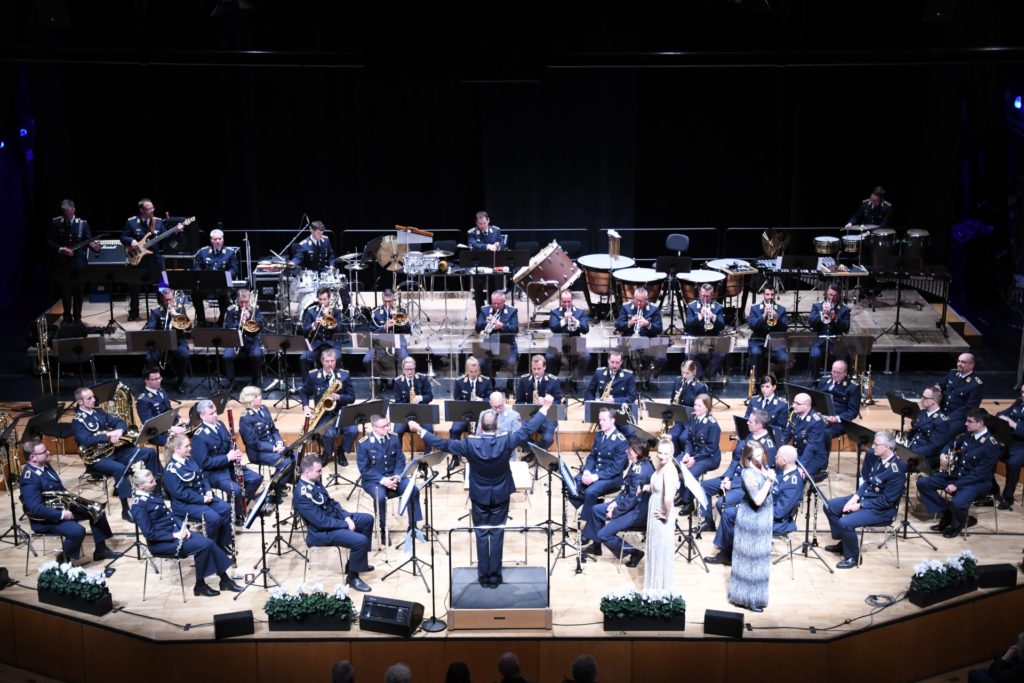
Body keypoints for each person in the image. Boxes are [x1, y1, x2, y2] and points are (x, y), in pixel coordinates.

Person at [409, 395, 555, 588]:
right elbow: (529, 429)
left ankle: (483, 576)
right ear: (496, 427)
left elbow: (442, 444)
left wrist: (420, 430)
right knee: (496, 534)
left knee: (480, 534)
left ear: (481, 426)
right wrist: (545, 407)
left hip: (479, 495)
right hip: (501, 494)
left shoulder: (470, 444)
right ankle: (494, 577)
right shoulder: (507, 441)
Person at [129, 467, 240, 596]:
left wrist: (183, 527)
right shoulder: (138, 505)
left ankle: (223, 581)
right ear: (142, 486)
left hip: (176, 532)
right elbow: (149, 534)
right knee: (204, 546)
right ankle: (201, 585)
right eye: (151, 481)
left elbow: (170, 515)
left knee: (208, 542)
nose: (155, 482)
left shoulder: (151, 494)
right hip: (162, 543)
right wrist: (174, 535)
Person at [20, 439, 119, 564]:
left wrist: (75, 501)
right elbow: (36, 509)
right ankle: (62, 561)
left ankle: (101, 550)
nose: (49, 452)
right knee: (77, 531)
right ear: (33, 457)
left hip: (63, 506)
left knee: (96, 509)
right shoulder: (29, 479)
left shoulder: (45, 465)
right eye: (44, 451)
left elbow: (59, 490)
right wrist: (61, 515)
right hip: (47, 519)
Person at [71, 385, 161, 521]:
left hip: (114, 451)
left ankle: (156, 492)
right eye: (89, 398)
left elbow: (118, 422)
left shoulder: (98, 411)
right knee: (120, 468)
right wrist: (108, 435)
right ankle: (126, 510)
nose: (93, 399)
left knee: (149, 453)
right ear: (80, 402)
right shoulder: (78, 421)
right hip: (97, 459)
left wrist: (119, 430)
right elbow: (86, 440)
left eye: (93, 396)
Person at [708, 444, 802, 567]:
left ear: (784, 461)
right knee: (729, 512)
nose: (775, 458)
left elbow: (779, 512)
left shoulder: (793, 483)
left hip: (774, 521)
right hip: (763, 509)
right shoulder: (783, 470)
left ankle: (730, 554)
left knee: (734, 516)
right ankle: (727, 551)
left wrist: (752, 509)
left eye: (777, 457)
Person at [824, 430, 906, 569]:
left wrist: (860, 505)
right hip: (867, 497)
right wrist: (856, 496)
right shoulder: (879, 460)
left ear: (886, 447)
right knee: (830, 506)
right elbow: (868, 481)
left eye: (876, 444)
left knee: (845, 522)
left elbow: (886, 501)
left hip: (881, 510)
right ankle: (845, 542)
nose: (872, 446)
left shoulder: (896, 471)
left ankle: (853, 557)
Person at [292, 455, 374, 592]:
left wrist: (346, 517)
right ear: (307, 472)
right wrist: (345, 524)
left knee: (367, 520)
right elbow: (320, 522)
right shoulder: (301, 495)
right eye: (318, 471)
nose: (321, 473)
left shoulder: (315, 482)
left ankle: (355, 564)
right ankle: (353, 577)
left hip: (335, 520)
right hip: (321, 532)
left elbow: (332, 503)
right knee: (360, 541)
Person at [917, 408, 1002, 538]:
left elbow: (979, 473)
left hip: (976, 482)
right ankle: (947, 512)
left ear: (980, 424)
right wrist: (943, 454)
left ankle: (957, 526)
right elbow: (951, 443)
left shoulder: (991, 445)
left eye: (970, 421)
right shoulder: (969, 434)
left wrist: (957, 485)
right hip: (956, 474)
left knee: (957, 502)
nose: (965, 424)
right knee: (923, 483)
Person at [701, 409, 777, 533]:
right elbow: (736, 459)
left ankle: (729, 532)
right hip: (733, 477)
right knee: (704, 486)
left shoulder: (768, 446)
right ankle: (709, 522)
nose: (747, 423)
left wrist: (733, 484)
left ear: (759, 425)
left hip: (746, 486)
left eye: (751, 422)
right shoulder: (750, 436)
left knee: (721, 503)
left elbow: (760, 477)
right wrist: (727, 477)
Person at [581, 437, 654, 567]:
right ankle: (596, 546)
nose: (627, 451)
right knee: (596, 510)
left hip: (637, 513)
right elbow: (626, 491)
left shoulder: (640, 472)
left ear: (637, 452)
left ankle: (634, 552)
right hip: (628, 505)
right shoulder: (637, 464)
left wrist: (614, 512)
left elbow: (632, 500)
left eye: (630, 449)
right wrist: (614, 502)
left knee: (604, 534)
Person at [190, 398, 264, 524]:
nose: (215, 415)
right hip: (214, 473)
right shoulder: (199, 436)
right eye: (211, 413)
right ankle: (235, 515)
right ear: (202, 416)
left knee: (256, 478)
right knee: (235, 490)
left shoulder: (220, 425)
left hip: (229, 466)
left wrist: (235, 452)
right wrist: (228, 457)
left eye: (215, 412)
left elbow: (229, 443)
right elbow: (204, 463)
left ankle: (239, 506)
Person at [162, 433, 234, 554]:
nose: (190, 448)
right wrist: (202, 499)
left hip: (202, 497)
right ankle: (211, 548)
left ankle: (222, 543)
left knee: (226, 508)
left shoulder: (190, 459)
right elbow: (180, 494)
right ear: (177, 449)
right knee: (214, 518)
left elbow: (202, 477)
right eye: (186, 446)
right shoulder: (171, 471)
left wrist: (209, 490)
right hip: (185, 505)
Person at [726, 440, 775, 613]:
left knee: (760, 558)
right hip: (752, 520)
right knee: (750, 559)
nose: (760, 457)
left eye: (761, 453)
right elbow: (758, 499)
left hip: (763, 519)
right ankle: (748, 598)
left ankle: (756, 596)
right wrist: (769, 480)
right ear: (748, 457)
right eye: (756, 455)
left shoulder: (763, 468)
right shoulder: (748, 474)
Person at [356, 414, 422, 540]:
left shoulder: (394, 438)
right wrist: (383, 480)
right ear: (374, 428)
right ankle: (383, 529)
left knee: (412, 489)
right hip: (374, 481)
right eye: (384, 426)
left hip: (394, 477)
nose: (387, 428)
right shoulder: (364, 444)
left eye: (388, 425)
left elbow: (400, 459)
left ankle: (413, 526)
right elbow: (364, 470)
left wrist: (398, 475)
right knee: (380, 497)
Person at [121, 198, 184, 321]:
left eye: (152, 208)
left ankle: (164, 311)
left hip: (155, 259)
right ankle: (134, 312)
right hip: (137, 259)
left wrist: (177, 231)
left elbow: (166, 237)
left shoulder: (158, 221)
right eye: (148, 209)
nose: (152, 210)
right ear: (141, 210)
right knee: (134, 288)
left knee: (162, 287)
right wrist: (131, 241)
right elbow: (123, 237)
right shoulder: (132, 222)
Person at [568, 407, 628, 525]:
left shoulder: (621, 441)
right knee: (572, 483)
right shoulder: (599, 435)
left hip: (612, 478)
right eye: (599, 420)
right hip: (595, 472)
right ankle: (592, 510)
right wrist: (586, 471)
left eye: (603, 420)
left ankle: (588, 523)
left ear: (612, 421)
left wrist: (595, 477)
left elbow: (616, 469)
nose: (600, 423)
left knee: (590, 491)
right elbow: (592, 457)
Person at [300, 347, 359, 467]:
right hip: (323, 414)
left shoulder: (344, 376)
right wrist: (306, 406)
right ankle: (327, 453)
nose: (330, 364)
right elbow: (304, 392)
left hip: (341, 412)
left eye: (332, 361)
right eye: (327, 361)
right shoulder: (313, 376)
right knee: (328, 434)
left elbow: (352, 398)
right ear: (322, 361)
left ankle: (341, 451)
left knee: (353, 431)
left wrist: (339, 397)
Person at [47, 199, 99, 324]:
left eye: (70, 214)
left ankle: (77, 317)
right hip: (63, 263)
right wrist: (60, 249)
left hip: (79, 263)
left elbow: (89, 241)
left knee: (78, 292)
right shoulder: (55, 223)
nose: (68, 217)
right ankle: (67, 317)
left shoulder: (82, 224)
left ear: (74, 210)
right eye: (66, 215)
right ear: (63, 213)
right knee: (65, 292)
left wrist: (96, 247)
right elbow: (49, 242)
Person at [238, 385, 293, 504]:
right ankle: (275, 490)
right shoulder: (245, 419)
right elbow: (253, 443)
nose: (260, 397)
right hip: (258, 452)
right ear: (250, 400)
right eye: (257, 396)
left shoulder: (263, 409)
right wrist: (274, 448)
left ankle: (276, 486)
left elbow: (273, 430)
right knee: (285, 462)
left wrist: (279, 441)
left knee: (294, 455)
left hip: (273, 446)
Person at [642, 437, 679, 590]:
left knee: (659, 549)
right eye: (660, 453)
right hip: (655, 507)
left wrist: (665, 513)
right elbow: (659, 487)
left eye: (666, 453)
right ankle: (654, 586)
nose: (662, 456)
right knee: (655, 548)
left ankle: (659, 588)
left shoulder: (669, 470)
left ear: (672, 453)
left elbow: (669, 497)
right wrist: (648, 488)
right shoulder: (661, 467)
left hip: (661, 513)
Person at [677, 394, 722, 511]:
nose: (695, 408)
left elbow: (711, 448)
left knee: (691, 474)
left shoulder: (712, 424)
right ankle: (682, 495)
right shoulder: (694, 418)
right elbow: (689, 440)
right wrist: (687, 453)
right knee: (677, 464)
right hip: (695, 454)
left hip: (709, 458)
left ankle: (688, 502)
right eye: (695, 405)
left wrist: (694, 459)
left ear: (706, 408)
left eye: (699, 405)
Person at [142, 288, 192, 392]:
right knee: (149, 358)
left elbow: (188, 328)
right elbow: (150, 329)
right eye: (166, 300)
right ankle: (154, 383)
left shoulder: (180, 310)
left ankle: (180, 383)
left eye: (170, 299)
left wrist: (176, 316)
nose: (168, 302)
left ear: (173, 298)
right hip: (161, 343)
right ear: (162, 299)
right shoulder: (156, 312)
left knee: (184, 355)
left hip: (177, 341)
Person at [615, 286, 667, 384]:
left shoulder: (654, 309)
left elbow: (659, 329)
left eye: (641, 301)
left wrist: (648, 324)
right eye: (637, 300)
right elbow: (619, 325)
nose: (639, 303)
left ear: (646, 300)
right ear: (634, 298)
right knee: (617, 354)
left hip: (649, 342)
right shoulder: (626, 307)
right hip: (629, 342)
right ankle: (623, 380)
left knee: (661, 358)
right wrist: (630, 323)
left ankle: (646, 376)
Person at [191, 227, 238, 326]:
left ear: (223, 239)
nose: (217, 241)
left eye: (219, 239)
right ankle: (201, 321)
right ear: (211, 240)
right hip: (206, 284)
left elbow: (234, 269)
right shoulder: (203, 252)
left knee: (225, 296)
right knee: (195, 293)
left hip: (223, 284)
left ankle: (222, 321)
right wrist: (201, 276)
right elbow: (196, 267)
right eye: (215, 239)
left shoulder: (230, 252)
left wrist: (226, 276)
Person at [513, 355, 562, 450]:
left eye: (539, 368)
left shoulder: (553, 381)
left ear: (544, 367)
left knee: (548, 439)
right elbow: (519, 401)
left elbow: (558, 401)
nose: (536, 372)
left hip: (548, 416)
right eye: (534, 368)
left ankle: (535, 453)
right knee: (518, 436)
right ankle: (537, 453)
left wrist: (546, 402)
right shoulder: (524, 380)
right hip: (529, 415)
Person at [363, 288, 410, 383]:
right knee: (367, 360)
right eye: (385, 301)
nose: (388, 304)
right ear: (382, 299)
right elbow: (371, 332)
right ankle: (375, 382)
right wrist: (383, 327)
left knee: (405, 358)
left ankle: (402, 383)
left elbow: (408, 330)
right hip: (379, 343)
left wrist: (397, 320)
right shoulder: (375, 313)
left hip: (398, 343)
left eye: (390, 301)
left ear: (394, 299)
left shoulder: (401, 311)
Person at [135, 365, 188, 447]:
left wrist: (179, 418)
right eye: (155, 379)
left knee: (191, 431)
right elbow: (149, 424)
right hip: (155, 433)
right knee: (178, 444)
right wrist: (171, 428)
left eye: (159, 378)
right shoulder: (143, 400)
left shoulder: (161, 391)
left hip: (170, 425)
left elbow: (169, 410)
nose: (158, 381)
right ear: (146, 380)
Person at [816, 360, 860, 457]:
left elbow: (853, 411)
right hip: (822, 416)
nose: (835, 375)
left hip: (840, 421)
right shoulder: (824, 381)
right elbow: (816, 399)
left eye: (838, 373)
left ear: (845, 373)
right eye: (833, 371)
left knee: (824, 434)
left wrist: (837, 418)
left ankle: (821, 466)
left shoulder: (852, 387)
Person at [546, 290, 591, 386]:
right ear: (560, 301)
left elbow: (585, 329)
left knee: (586, 357)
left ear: (572, 300)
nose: (567, 304)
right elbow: (553, 328)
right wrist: (564, 320)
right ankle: (553, 383)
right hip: (558, 341)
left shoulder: (580, 312)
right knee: (549, 357)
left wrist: (575, 321)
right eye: (564, 302)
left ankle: (574, 381)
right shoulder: (555, 312)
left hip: (575, 342)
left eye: (569, 301)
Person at [906, 385, 956, 469]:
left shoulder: (941, 421)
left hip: (925, 457)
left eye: (925, 398)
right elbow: (913, 432)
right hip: (913, 449)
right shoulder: (922, 413)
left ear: (934, 401)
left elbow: (933, 447)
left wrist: (911, 453)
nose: (921, 399)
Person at [684, 283, 727, 379]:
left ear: (712, 295)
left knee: (721, 353)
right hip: (696, 339)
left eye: (708, 296)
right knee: (690, 353)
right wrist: (700, 316)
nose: (705, 299)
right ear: (699, 293)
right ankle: (700, 378)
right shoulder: (692, 306)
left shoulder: (718, 308)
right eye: (703, 296)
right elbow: (688, 325)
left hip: (712, 340)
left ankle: (707, 375)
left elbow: (722, 326)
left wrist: (712, 316)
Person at [222, 288, 264, 388]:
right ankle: (231, 381)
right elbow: (228, 327)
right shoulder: (231, 310)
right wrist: (240, 323)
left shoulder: (255, 309)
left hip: (251, 340)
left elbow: (260, 325)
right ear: (237, 299)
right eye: (241, 302)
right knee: (227, 356)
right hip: (235, 340)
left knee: (257, 355)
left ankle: (255, 380)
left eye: (246, 302)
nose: (244, 305)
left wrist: (249, 318)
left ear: (250, 300)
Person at [782, 392, 828, 478]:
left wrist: (800, 466)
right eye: (793, 402)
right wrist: (778, 449)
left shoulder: (816, 421)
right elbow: (787, 434)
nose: (793, 406)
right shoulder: (795, 415)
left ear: (806, 406)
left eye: (797, 404)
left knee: (795, 475)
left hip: (813, 457)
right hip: (798, 453)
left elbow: (811, 447)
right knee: (777, 466)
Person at [300, 287, 346, 375]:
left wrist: (328, 317)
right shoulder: (311, 312)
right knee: (303, 358)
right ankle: (307, 386)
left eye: (324, 299)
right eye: (320, 299)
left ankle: (337, 382)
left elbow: (340, 329)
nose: (322, 302)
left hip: (331, 345)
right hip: (316, 346)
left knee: (338, 357)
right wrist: (314, 324)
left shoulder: (336, 312)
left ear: (328, 299)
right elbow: (305, 331)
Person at [808, 285, 851, 376]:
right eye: (830, 295)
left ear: (839, 295)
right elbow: (811, 323)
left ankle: (839, 381)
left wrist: (836, 318)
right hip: (819, 340)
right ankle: (814, 380)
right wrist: (821, 315)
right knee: (815, 355)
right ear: (827, 292)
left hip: (836, 341)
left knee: (842, 357)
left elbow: (846, 328)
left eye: (834, 295)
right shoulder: (817, 306)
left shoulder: (844, 310)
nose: (832, 297)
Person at [667, 360, 708, 455]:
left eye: (687, 373)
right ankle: (676, 460)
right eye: (682, 372)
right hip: (679, 418)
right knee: (672, 436)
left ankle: (688, 459)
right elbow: (672, 400)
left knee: (684, 438)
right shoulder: (678, 381)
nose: (684, 376)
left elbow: (704, 409)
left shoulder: (699, 387)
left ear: (694, 372)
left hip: (692, 420)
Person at [475, 290, 519, 378]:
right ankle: (489, 386)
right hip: (488, 345)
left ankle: (509, 388)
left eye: (498, 303)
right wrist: (485, 323)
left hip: (507, 345)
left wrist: (502, 326)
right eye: (493, 303)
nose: (495, 306)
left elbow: (515, 329)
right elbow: (477, 327)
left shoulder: (512, 311)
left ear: (504, 302)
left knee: (511, 362)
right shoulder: (485, 310)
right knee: (480, 362)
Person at [747, 285, 788, 377]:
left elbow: (785, 328)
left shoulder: (781, 309)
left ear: (775, 295)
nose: (770, 297)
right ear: (763, 295)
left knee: (784, 358)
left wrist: (778, 319)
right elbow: (752, 325)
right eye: (767, 294)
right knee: (755, 353)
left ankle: (779, 381)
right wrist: (763, 316)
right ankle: (756, 381)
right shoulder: (755, 308)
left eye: (772, 294)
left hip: (776, 342)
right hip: (758, 341)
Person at [468, 211, 505, 313]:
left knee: (493, 292)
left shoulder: (496, 231)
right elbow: (473, 245)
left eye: (484, 223)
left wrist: (497, 245)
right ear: (476, 223)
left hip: (492, 265)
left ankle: (493, 313)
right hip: (478, 266)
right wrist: (488, 246)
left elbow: (501, 243)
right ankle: (480, 315)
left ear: (488, 220)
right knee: (478, 294)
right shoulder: (472, 233)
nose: (482, 226)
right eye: (480, 224)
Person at [450, 357, 494, 442]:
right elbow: (457, 401)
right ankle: (455, 454)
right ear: (466, 370)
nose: (473, 374)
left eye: (476, 371)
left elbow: (490, 399)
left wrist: (480, 400)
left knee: (485, 429)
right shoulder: (460, 382)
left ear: (479, 370)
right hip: (463, 415)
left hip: (481, 415)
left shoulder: (486, 381)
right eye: (471, 371)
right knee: (455, 429)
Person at [996, 383, 1024, 510]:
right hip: (1011, 441)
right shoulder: (1019, 402)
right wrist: (1001, 416)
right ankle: (992, 490)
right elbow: (1002, 413)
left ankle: (1008, 497)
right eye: (1022, 392)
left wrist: (1013, 424)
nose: (1022, 395)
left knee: (1013, 464)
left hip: (1022, 446)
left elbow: (1012, 422)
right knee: (988, 453)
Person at [392, 356, 434, 439]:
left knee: (429, 430)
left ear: (415, 368)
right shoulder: (398, 382)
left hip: (422, 411)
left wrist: (420, 398)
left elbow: (430, 396)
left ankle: (428, 452)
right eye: (407, 369)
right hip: (405, 413)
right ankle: (398, 452)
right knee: (397, 432)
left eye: (412, 369)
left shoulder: (423, 379)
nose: (410, 372)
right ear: (403, 369)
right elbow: (398, 401)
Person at [939, 352, 984, 428]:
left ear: (972, 365)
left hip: (958, 418)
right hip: (942, 411)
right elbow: (939, 386)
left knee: (942, 431)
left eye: (963, 362)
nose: (959, 364)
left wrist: (948, 418)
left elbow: (970, 408)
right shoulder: (952, 373)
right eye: (958, 361)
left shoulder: (976, 384)